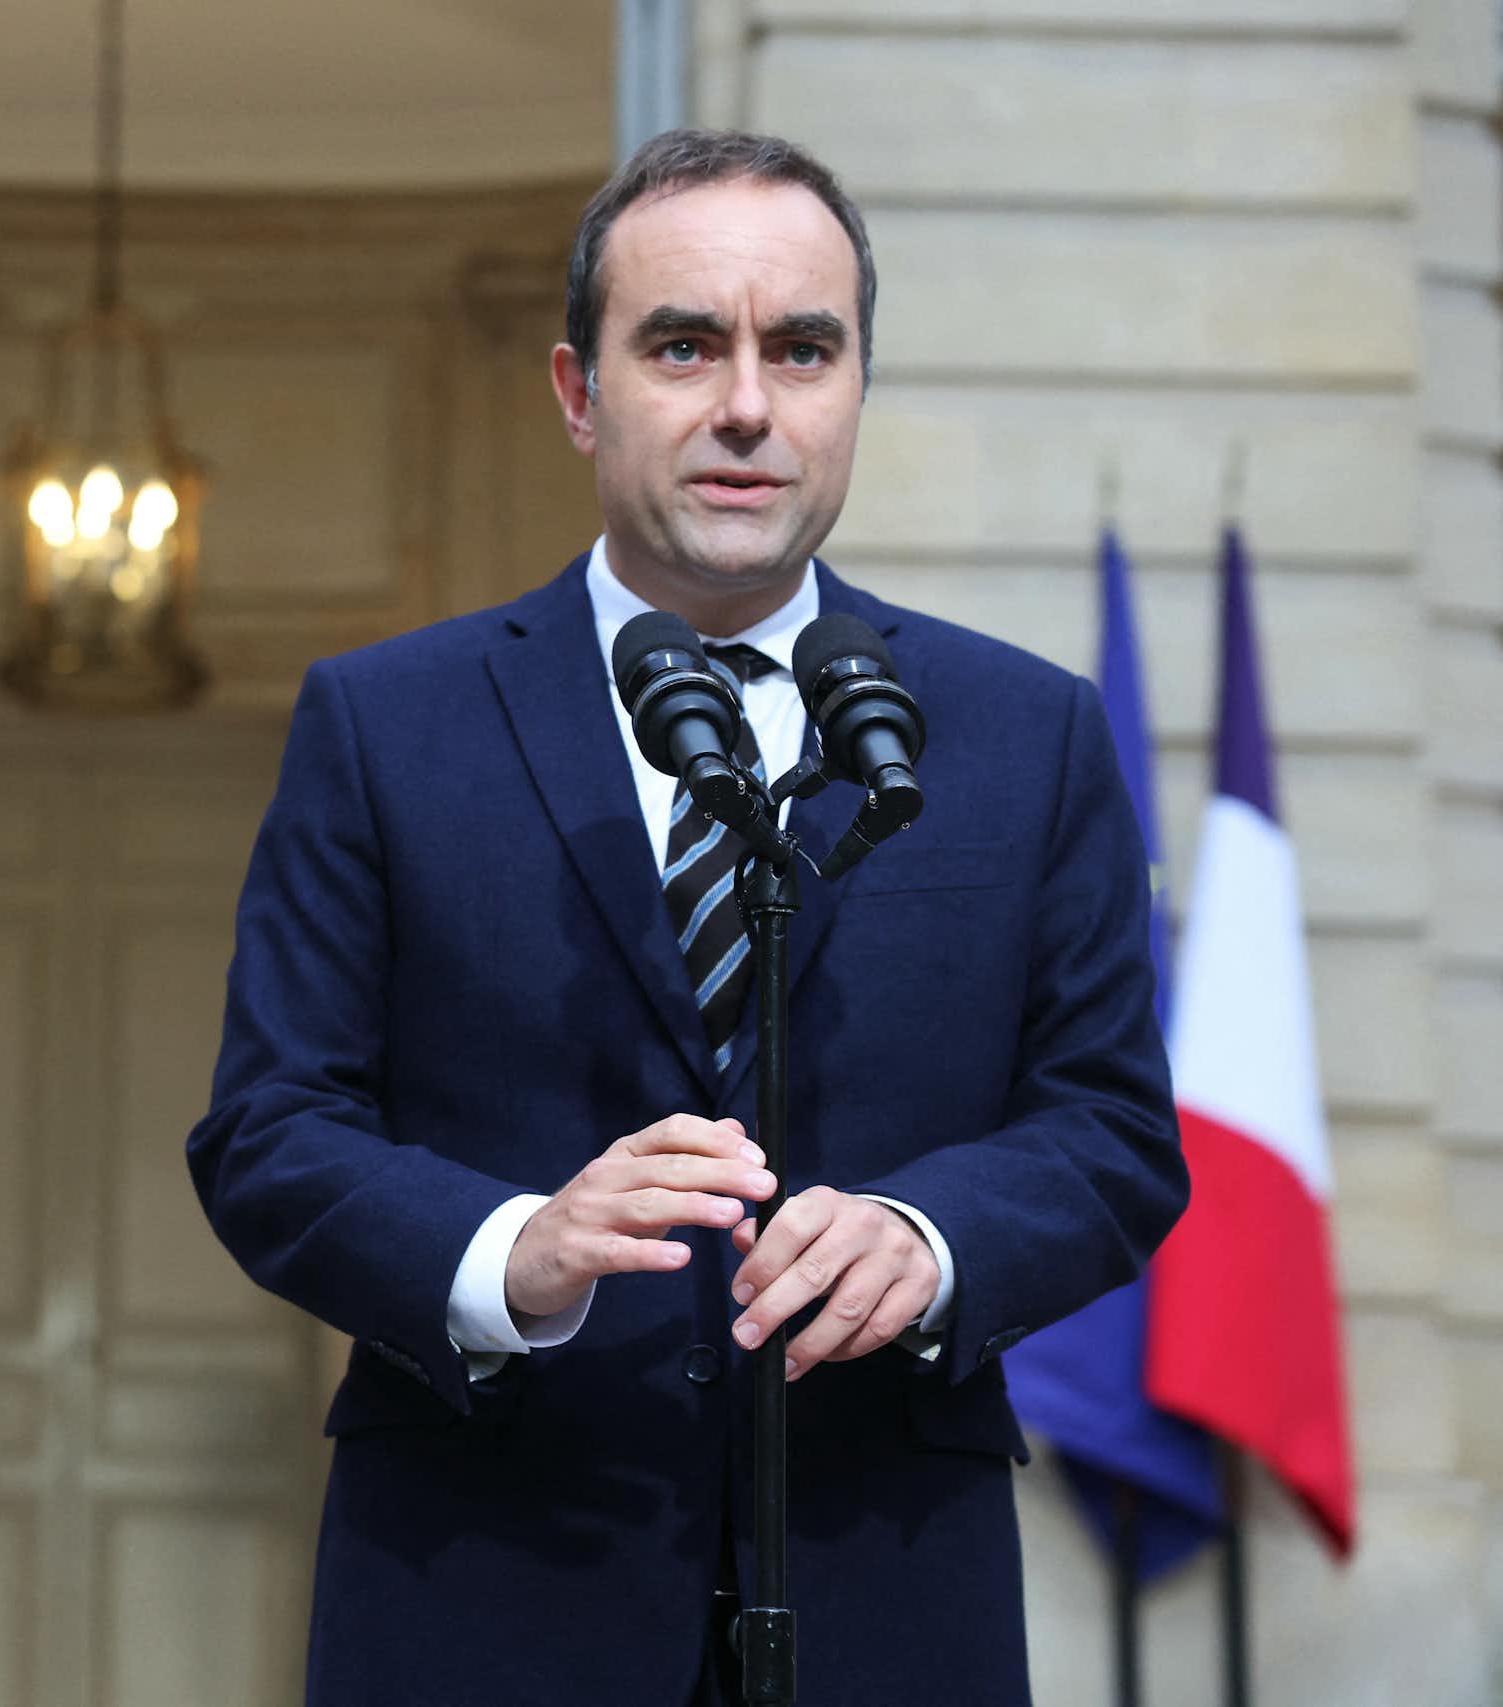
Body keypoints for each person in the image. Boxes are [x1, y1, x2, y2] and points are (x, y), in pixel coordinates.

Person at [184, 129, 1188, 1707]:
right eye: (682, 345)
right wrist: (516, 1250)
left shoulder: (1024, 732)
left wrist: (929, 1242)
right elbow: (267, 1134)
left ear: (856, 388)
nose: (746, 404)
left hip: (888, 1596)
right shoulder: (388, 725)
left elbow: (1115, 1133)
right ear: (580, 392)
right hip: (485, 1595)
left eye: (803, 349)